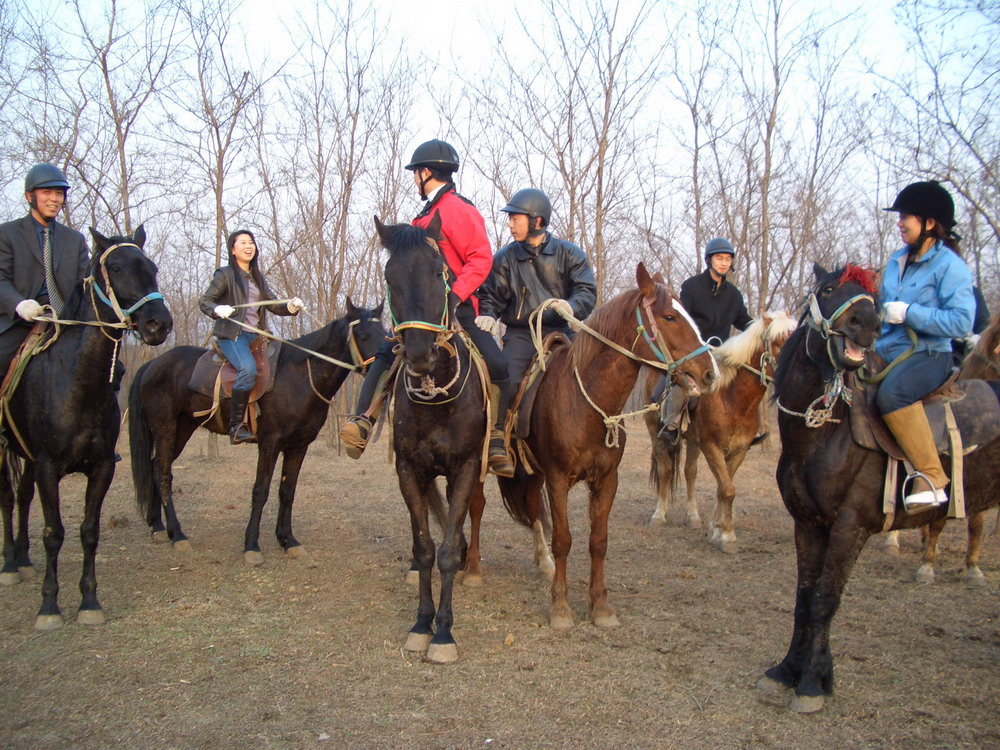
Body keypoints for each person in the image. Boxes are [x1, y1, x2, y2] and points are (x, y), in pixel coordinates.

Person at [338, 139, 515, 476]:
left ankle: (494, 439)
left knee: (499, 365)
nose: (414, 179)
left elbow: (480, 259)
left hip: (457, 308)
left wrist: (456, 295)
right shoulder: (421, 219)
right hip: (420, 312)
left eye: (415, 173)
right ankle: (362, 419)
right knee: (386, 351)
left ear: (425, 172)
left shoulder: (460, 210)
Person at [878, 180, 975, 511]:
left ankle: (932, 477)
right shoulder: (895, 261)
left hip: (930, 355)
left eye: (906, 216)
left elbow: (962, 322)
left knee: (893, 394)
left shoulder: (951, 267)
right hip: (885, 351)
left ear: (930, 223)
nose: (900, 222)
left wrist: (909, 313)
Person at [475, 187, 596, 397]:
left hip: (561, 329)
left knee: (593, 374)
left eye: (515, 219)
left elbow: (585, 291)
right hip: (521, 335)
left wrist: (571, 306)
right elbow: (491, 296)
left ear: (537, 221)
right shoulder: (504, 258)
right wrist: (487, 314)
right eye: (510, 219)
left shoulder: (570, 254)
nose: (510, 224)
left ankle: (608, 427)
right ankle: (501, 428)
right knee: (508, 381)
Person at [200, 229, 304, 444]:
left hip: (257, 337)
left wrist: (290, 306)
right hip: (232, 335)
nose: (249, 246)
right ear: (233, 249)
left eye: (251, 242)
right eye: (243, 243)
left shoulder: (257, 277)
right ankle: (236, 426)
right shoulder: (225, 274)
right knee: (247, 369)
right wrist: (217, 309)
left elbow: (273, 304)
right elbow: (205, 301)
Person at [656, 237, 753, 444]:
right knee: (683, 380)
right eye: (720, 258)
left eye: (728, 259)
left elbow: (744, 321)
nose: (724, 263)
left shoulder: (734, 295)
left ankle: (746, 428)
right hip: (695, 352)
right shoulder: (692, 287)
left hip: (723, 354)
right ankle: (672, 423)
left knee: (750, 379)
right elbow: (683, 319)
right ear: (710, 260)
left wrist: (765, 327)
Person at [0, 163, 89, 376]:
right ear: (29, 196)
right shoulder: (7, 234)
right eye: (46, 192)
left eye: (59, 193)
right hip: (19, 321)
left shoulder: (75, 240)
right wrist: (19, 304)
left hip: (66, 322)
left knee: (110, 370)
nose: (54, 199)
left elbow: (85, 284)